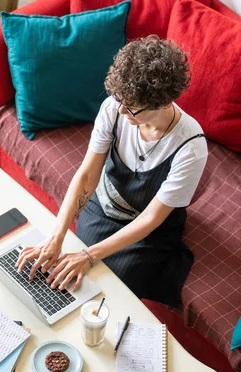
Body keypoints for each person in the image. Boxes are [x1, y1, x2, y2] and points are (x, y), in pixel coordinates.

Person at [16, 35, 208, 307]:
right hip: (105, 205)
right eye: (119, 100)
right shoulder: (115, 108)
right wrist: (55, 235)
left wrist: (90, 255)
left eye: (132, 109)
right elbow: (87, 174)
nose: (122, 111)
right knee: (65, 279)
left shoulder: (190, 146)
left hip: (148, 229)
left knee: (108, 296)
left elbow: (152, 218)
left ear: (164, 103)